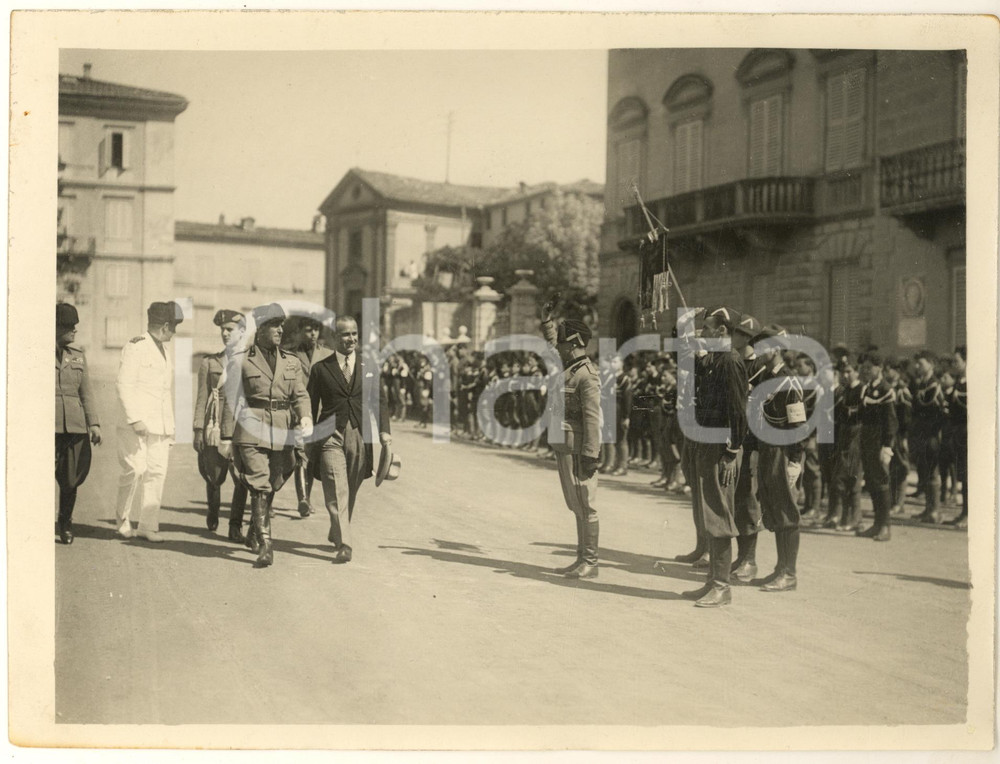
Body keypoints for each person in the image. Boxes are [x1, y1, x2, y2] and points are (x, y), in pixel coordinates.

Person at [220, 303, 312, 568]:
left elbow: (300, 395)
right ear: (260, 329)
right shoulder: (241, 360)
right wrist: (226, 437)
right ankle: (267, 545)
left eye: (281, 325)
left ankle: (254, 530)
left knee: (275, 479)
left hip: (282, 430)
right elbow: (230, 399)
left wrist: (304, 416)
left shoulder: (290, 362)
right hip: (251, 428)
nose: (280, 330)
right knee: (260, 483)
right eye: (274, 325)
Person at [307, 315, 391, 564]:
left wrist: (385, 432)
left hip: (359, 434)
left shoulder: (369, 367)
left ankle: (338, 529)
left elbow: (380, 401)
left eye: (354, 333)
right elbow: (310, 407)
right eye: (345, 334)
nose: (351, 338)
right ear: (334, 338)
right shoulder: (320, 369)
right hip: (329, 434)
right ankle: (346, 543)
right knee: (336, 486)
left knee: (351, 486)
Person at [681, 306, 748, 608]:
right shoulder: (713, 360)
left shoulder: (730, 361)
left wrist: (732, 451)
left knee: (719, 514)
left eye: (706, 328)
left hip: (721, 447)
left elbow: (737, 410)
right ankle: (712, 581)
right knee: (710, 513)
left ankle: (722, 585)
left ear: (722, 331)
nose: (701, 333)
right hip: (705, 443)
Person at [540, 299, 602, 579]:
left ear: (576, 343)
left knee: (586, 503)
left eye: (564, 343)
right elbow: (554, 345)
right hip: (566, 446)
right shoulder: (571, 368)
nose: (560, 348)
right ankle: (581, 559)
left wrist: (591, 454)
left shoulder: (586, 376)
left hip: (579, 450)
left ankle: (590, 561)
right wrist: (547, 323)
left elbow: (592, 418)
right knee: (575, 503)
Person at [114, 301, 183, 542]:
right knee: (134, 470)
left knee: (156, 473)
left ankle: (147, 526)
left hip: (160, 426)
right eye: (173, 327)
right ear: (165, 326)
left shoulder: (164, 350)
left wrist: (170, 430)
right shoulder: (136, 347)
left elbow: (165, 393)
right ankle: (122, 520)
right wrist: (135, 419)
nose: (174, 333)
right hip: (137, 424)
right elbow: (124, 384)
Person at [749, 325, 806, 592]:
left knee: (786, 511)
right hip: (767, 449)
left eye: (762, 347)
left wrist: (795, 460)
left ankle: (789, 573)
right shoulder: (764, 378)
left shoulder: (789, 381)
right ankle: (779, 568)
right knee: (773, 509)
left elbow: (798, 424)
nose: (758, 352)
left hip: (783, 451)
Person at [193, 309, 249, 541]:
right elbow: (202, 397)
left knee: (242, 480)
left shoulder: (250, 362)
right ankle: (213, 508)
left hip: (240, 428)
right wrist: (198, 429)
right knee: (214, 476)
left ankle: (235, 525)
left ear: (242, 332)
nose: (225, 334)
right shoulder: (210, 362)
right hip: (214, 427)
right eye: (222, 330)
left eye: (230, 330)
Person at [55, 303, 102, 545]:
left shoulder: (78, 356)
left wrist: (93, 424)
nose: (74, 331)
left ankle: (65, 522)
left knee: (70, 478)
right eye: (69, 327)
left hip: (74, 427)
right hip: (48, 427)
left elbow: (88, 393)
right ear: (56, 328)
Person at [291, 316, 333, 517]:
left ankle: (306, 496)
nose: (313, 334)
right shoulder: (290, 355)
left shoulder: (328, 355)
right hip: (298, 414)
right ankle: (303, 500)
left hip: (321, 414)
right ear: (300, 331)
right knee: (301, 455)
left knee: (313, 457)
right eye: (308, 330)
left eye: (316, 329)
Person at [855, 350, 898, 541]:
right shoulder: (867, 388)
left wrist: (887, 446)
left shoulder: (886, 389)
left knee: (881, 482)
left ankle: (886, 526)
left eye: (868, 368)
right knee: (872, 482)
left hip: (879, 440)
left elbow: (890, 420)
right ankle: (876, 524)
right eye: (863, 368)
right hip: (867, 439)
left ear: (878, 368)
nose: (865, 371)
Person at [909, 351, 946, 524]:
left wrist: (934, 434)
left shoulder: (934, 385)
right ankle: (928, 509)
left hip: (931, 435)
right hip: (921, 434)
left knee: (932, 472)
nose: (917, 366)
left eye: (921, 363)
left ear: (931, 364)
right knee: (924, 472)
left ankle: (935, 511)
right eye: (916, 363)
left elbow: (941, 412)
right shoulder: (922, 384)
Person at [830, 356, 865, 532]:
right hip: (844, 436)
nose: (846, 374)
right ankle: (845, 516)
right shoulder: (844, 391)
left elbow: (860, 413)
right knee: (841, 478)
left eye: (849, 371)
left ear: (857, 372)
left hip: (856, 437)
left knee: (853, 479)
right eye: (843, 371)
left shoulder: (861, 390)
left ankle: (855, 518)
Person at [944, 347, 967, 528]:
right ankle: (965, 512)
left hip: (968, 432)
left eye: (956, 361)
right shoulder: (959, 382)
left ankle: (969, 514)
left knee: (968, 475)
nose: (953, 365)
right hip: (958, 432)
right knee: (963, 474)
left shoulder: (970, 382)